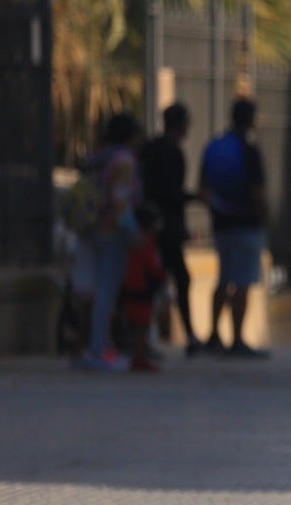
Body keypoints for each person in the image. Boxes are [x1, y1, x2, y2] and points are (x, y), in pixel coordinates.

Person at [199, 97, 270, 358]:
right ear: (251, 119)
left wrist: (219, 210)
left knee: (223, 279)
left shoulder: (215, 147)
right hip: (247, 224)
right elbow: (258, 192)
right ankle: (237, 339)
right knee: (242, 282)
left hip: (222, 225)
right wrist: (263, 218)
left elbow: (203, 189)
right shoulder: (250, 151)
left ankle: (214, 334)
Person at [77, 113, 143, 371]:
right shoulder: (124, 161)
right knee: (107, 292)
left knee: (97, 291)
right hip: (113, 231)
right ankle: (99, 350)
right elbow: (120, 200)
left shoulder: (100, 158)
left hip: (94, 228)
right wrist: (131, 231)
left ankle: (99, 345)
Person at [138, 103, 202, 355]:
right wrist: (194, 198)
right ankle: (186, 334)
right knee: (177, 280)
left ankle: (149, 334)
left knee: (154, 281)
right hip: (166, 228)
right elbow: (170, 194)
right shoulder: (173, 153)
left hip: (150, 224)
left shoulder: (151, 148)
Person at [121, 204, 168, 372]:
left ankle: (138, 356)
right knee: (142, 326)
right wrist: (162, 278)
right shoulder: (147, 244)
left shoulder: (136, 243)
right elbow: (154, 266)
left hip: (133, 288)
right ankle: (139, 359)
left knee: (137, 325)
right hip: (142, 289)